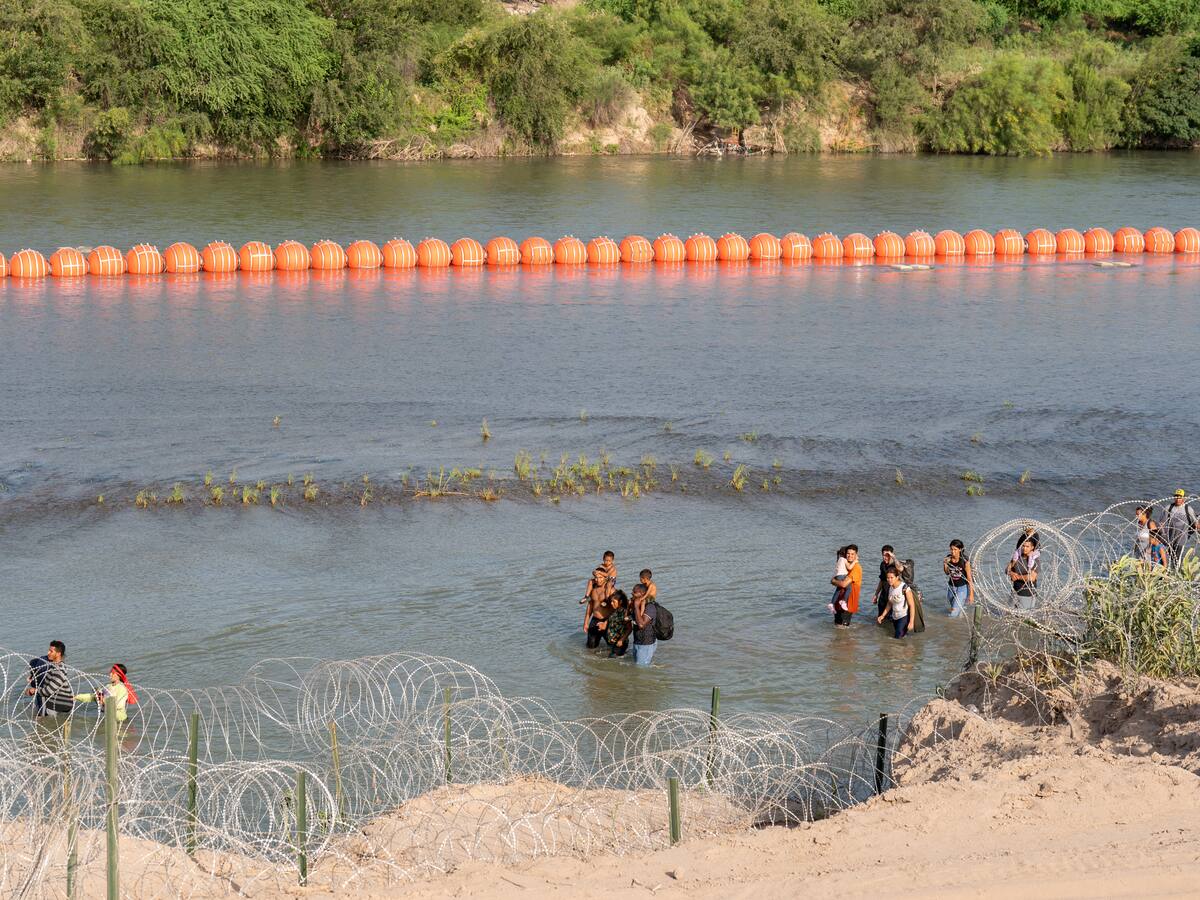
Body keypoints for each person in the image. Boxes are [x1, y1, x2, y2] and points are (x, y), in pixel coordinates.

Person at [26, 641, 73, 720]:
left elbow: (49, 691)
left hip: (59, 703)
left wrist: (33, 690)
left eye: (51, 651)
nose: (48, 653)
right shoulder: (53, 666)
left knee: (41, 724)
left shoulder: (59, 670)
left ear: (58, 653)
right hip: (56, 701)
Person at [1161, 490, 1198, 566]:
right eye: (1176, 497)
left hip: (1181, 539)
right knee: (1167, 559)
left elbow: (1196, 523)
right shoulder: (1169, 508)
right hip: (1169, 539)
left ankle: (1175, 575)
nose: (1178, 499)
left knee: (1177, 559)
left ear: (1184, 498)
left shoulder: (1188, 509)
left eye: (1180, 497)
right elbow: (1162, 523)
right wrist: (1162, 536)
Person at [876, 567, 914, 639]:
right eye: (888, 578)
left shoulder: (905, 588)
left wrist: (911, 622)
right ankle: (907, 648)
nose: (889, 580)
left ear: (897, 577)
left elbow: (912, 605)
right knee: (900, 637)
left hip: (904, 616)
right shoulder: (891, 588)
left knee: (897, 638)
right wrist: (882, 616)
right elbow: (889, 603)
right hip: (895, 617)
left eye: (891, 577)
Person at [831, 545, 862, 627]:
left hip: (848, 603)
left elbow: (844, 584)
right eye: (848, 553)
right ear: (845, 554)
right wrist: (833, 581)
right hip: (839, 601)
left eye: (852, 554)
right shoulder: (845, 565)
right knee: (837, 625)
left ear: (856, 555)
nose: (850, 556)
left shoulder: (856, 567)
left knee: (843, 627)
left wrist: (833, 581)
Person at [943, 540, 974, 617]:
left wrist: (971, 595)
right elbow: (947, 573)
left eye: (955, 549)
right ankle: (960, 619)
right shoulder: (948, 559)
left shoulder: (964, 561)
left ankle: (949, 626)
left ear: (960, 549)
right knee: (954, 608)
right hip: (951, 587)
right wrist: (945, 564)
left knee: (953, 613)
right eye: (951, 549)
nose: (953, 552)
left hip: (962, 589)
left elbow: (969, 578)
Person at [872, 546, 902, 624]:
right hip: (884, 594)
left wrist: (893, 557)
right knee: (881, 618)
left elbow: (901, 569)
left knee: (893, 619)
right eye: (883, 555)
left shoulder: (895, 565)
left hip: (893, 595)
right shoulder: (882, 565)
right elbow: (881, 580)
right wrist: (876, 594)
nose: (885, 557)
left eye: (887, 555)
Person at [630, 584, 658, 666]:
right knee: (639, 666)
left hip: (646, 643)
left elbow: (641, 625)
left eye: (634, 592)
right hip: (638, 642)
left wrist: (635, 606)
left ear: (642, 594)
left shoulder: (650, 607)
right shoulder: (637, 606)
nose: (632, 593)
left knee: (641, 669)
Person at [1007, 538, 1039, 608]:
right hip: (1014, 591)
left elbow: (1032, 577)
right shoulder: (1017, 556)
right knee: (1010, 615)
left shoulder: (1034, 559)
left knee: (1024, 617)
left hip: (1027, 594)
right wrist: (1011, 573)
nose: (1025, 548)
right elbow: (1007, 569)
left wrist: (1017, 577)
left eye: (1027, 546)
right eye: (1023, 546)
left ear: (1032, 547)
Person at [605, 592, 632, 657]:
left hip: (620, 642)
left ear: (620, 602)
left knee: (612, 659)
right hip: (613, 641)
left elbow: (630, 628)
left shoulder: (624, 612)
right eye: (611, 601)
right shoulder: (615, 610)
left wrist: (621, 640)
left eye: (613, 602)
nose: (611, 603)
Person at [829, 546, 849, 614]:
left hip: (837, 576)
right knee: (849, 588)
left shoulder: (839, 559)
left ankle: (832, 604)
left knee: (838, 590)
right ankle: (844, 601)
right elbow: (849, 567)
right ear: (845, 553)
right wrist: (855, 561)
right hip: (842, 576)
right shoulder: (844, 559)